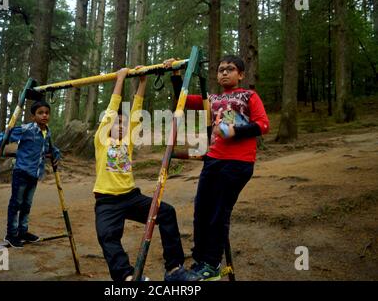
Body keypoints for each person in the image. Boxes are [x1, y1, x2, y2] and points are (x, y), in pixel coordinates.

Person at [166, 55, 270, 280]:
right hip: (213, 160)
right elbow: (180, 100)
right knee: (201, 210)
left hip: (238, 163)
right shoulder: (210, 99)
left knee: (218, 212)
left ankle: (212, 263)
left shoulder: (249, 95)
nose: (224, 72)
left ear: (240, 74)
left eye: (230, 69)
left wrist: (236, 131)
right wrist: (176, 74)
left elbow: (263, 124)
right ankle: (200, 260)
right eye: (221, 69)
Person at [93, 66, 200, 282]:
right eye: (116, 123)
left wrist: (142, 82)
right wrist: (121, 79)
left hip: (131, 196)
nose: (121, 126)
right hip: (106, 200)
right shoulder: (101, 141)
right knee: (106, 236)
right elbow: (112, 109)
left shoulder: (128, 141)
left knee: (167, 213)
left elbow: (136, 112)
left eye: (124, 123)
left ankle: (174, 269)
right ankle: (127, 276)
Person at [0, 100, 61, 248]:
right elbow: (6, 134)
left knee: (27, 204)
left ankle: (23, 231)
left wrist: (56, 155)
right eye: (40, 113)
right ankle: (11, 234)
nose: (44, 115)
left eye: (47, 113)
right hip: (21, 172)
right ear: (33, 116)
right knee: (16, 203)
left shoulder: (47, 132)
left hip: (35, 174)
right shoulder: (27, 129)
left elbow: (50, 148)